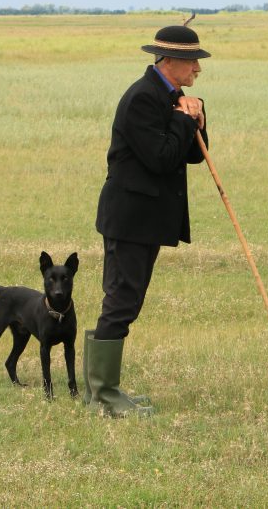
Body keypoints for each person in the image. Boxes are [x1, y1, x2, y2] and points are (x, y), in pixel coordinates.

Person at [84, 24, 211, 417]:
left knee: (125, 300)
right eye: (192, 62)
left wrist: (198, 116)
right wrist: (184, 121)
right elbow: (160, 157)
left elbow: (191, 155)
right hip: (130, 219)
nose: (198, 71)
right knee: (122, 301)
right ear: (169, 61)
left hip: (145, 220)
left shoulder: (171, 95)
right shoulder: (142, 98)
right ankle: (103, 395)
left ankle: (98, 392)